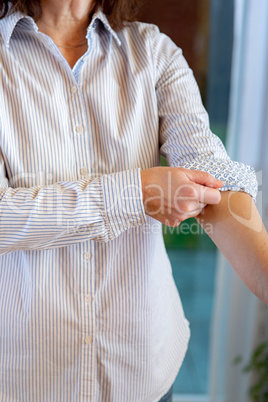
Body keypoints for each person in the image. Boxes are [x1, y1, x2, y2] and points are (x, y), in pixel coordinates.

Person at [0, 0, 267, 401]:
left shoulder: (152, 51)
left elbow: (211, 174)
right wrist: (136, 192)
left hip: (144, 371)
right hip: (24, 377)